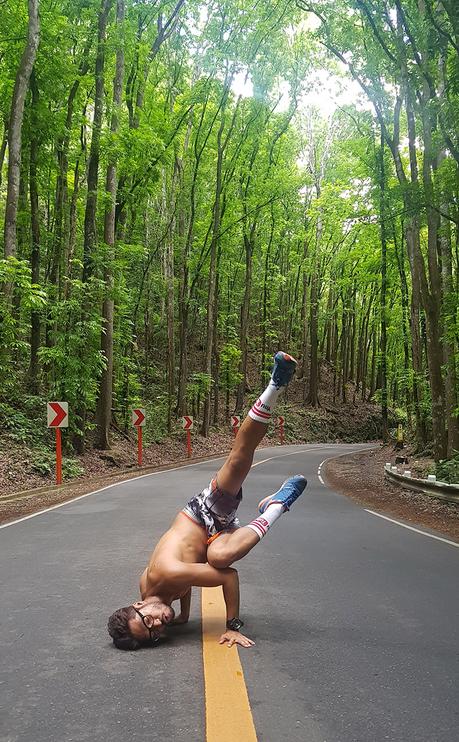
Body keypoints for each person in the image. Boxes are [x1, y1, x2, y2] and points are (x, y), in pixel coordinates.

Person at [107, 352, 307, 650]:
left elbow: (228, 579)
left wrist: (232, 627)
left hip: (201, 516)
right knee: (218, 556)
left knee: (240, 459)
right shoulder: (153, 590)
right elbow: (179, 590)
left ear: (139, 604)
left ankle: (275, 385)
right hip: (212, 540)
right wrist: (183, 616)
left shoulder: (165, 573)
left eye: (148, 621)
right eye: (153, 635)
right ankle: (274, 506)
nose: (158, 625)